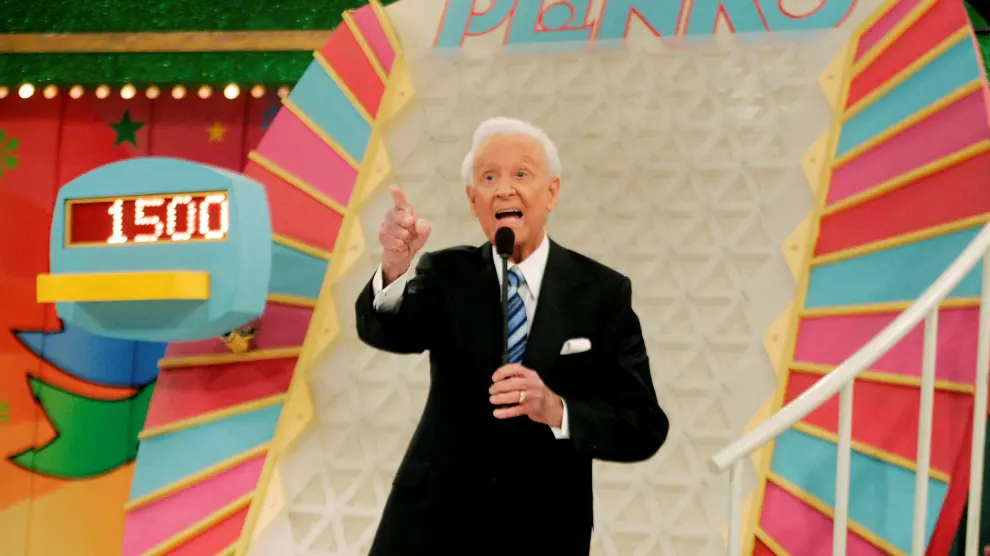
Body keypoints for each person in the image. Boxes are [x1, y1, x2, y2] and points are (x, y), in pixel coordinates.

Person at [355, 117, 669, 555]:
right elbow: (389, 330)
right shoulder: (447, 273)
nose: (504, 189)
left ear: (552, 192)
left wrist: (557, 409)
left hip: (543, 528)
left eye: (521, 173)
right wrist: (394, 265)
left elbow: (643, 425)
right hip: (432, 522)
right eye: (489, 178)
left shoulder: (601, 292)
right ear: (473, 201)